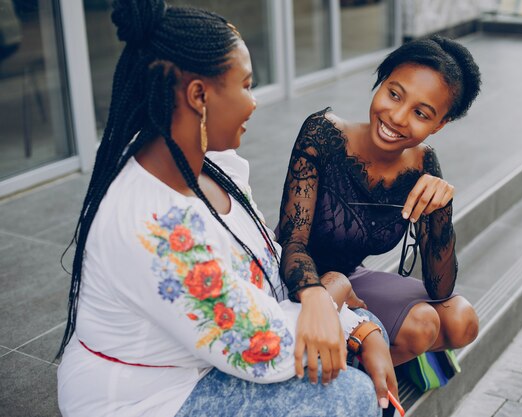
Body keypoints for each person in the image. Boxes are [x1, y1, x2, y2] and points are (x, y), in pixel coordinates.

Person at [56, 1, 397, 416]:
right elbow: (260, 348)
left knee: (356, 360)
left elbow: (268, 277)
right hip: (146, 397)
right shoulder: (156, 226)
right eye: (247, 85)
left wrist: (355, 326)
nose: (254, 103)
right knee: (349, 396)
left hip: (205, 360)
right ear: (199, 95)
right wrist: (331, 295)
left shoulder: (212, 167)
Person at [278, 36, 482, 371]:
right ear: (381, 82)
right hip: (297, 278)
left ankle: (359, 367)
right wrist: (317, 294)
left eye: (420, 112)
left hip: (351, 280)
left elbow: (440, 288)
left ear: (440, 124)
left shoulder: (423, 165)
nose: (398, 117)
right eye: (393, 94)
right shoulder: (323, 136)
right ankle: (357, 379)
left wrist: (441, 211)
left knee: (461, 319)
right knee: (422, 325)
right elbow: (293, 242)